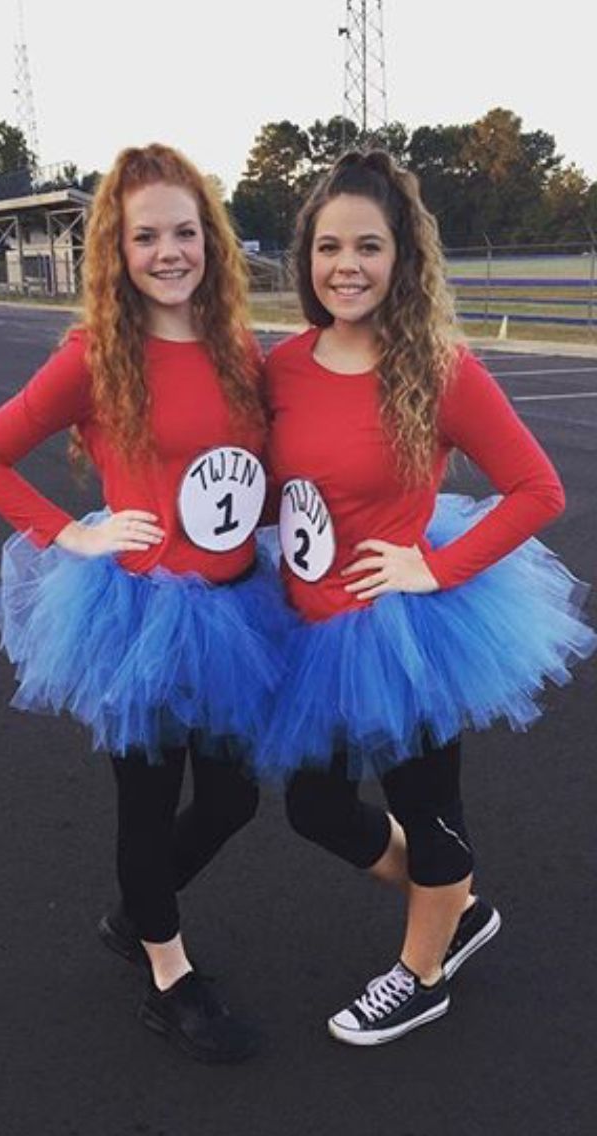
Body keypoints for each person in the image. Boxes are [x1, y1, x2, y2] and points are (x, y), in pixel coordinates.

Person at [0, 143, 291, 1064]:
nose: (170, 250)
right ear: (118, 247)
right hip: (142, 613)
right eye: (147, 235)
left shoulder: (235, 348)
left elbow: (247, 477)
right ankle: (168, 970)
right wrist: (73, 534)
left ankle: (135, 910)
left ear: (211, 240)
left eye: (186, 231)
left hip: (233, 609)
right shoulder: (95, 355)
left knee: (228, 800)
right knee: (146, 807)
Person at [257, 149, 596, 1047]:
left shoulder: (437, 368)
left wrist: (432, 569)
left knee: (429, 808)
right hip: (310, 628)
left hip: (404, 632)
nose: (347, 266)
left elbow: (538, 489)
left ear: (402, 256)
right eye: (330, 247)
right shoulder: (280, 366)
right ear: (307, 257)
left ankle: (422, 972)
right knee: (314, 806)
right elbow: (260, 486)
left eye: (369, 246)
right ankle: (454, 905)